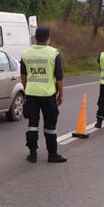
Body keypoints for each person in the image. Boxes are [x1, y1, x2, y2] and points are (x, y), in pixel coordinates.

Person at [21, 27, 67, 163]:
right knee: (50, 126)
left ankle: (33, 154)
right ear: (48, 38)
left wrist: (26, 88)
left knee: (32, 124)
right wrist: (61, 94)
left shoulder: (25, 53)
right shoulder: (54, 54)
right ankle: (52, 154)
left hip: (31, 94)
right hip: (48, 94)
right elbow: (59, 77)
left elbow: (23, 75)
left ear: (35, 37)